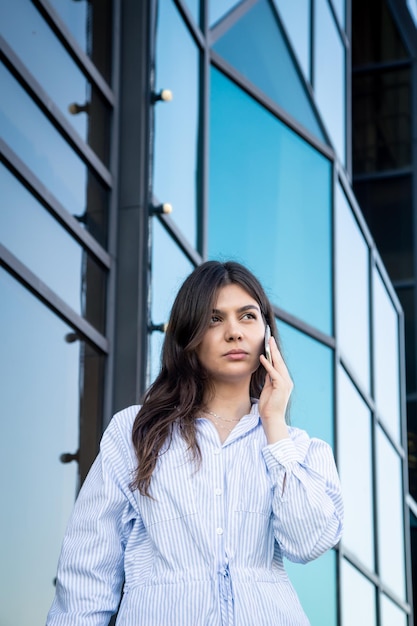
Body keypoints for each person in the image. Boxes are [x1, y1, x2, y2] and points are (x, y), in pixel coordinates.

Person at [46, 260, 343, 626]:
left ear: (267, 333)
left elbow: (308, 542)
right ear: (190, 335)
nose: (234, 332)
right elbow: (87, 571)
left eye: (247, 316)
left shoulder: (298, 448)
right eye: (214, 319)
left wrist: (273, 423)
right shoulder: (136, 431)